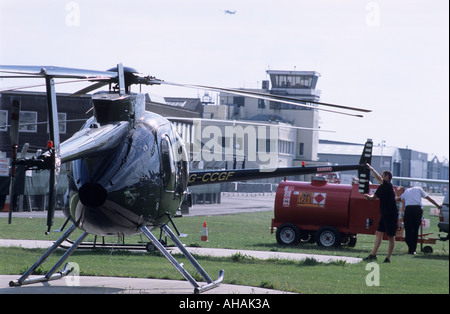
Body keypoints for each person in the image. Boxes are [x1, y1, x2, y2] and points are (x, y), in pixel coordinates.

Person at [363, 164, 399, 263]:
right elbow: (373, 197)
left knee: (391, 236)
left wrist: (371, 169)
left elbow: (378, 178)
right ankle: (373, 255)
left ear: (387, 177)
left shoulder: (388, 185)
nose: (381, 177)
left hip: (391, 214)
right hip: (384, 214)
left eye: (383, 175)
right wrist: (367, 196)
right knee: (378, 233)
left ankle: (388, 258)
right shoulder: (381, 187)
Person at [397, 186, 442, 255]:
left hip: (409, 210)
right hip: (417, 210)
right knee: (415, 231)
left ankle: (410, 248)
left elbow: (399, 198)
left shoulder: (406, 191)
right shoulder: (418, 189)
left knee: (408, 230)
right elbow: (428, 198)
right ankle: (413, 250)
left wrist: (391, 199)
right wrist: (437, 205)